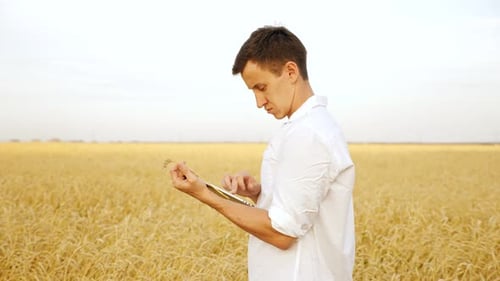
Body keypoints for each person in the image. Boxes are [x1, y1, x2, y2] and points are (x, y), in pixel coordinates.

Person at [168, 25, 355, 281]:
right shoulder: (305, 128)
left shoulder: (308, 134)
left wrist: (204, 194)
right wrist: (261, 193)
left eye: (262, 87)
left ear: (291, 71)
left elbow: (282, 233)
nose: (258, 102)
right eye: (253, 91)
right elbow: (300, 208)